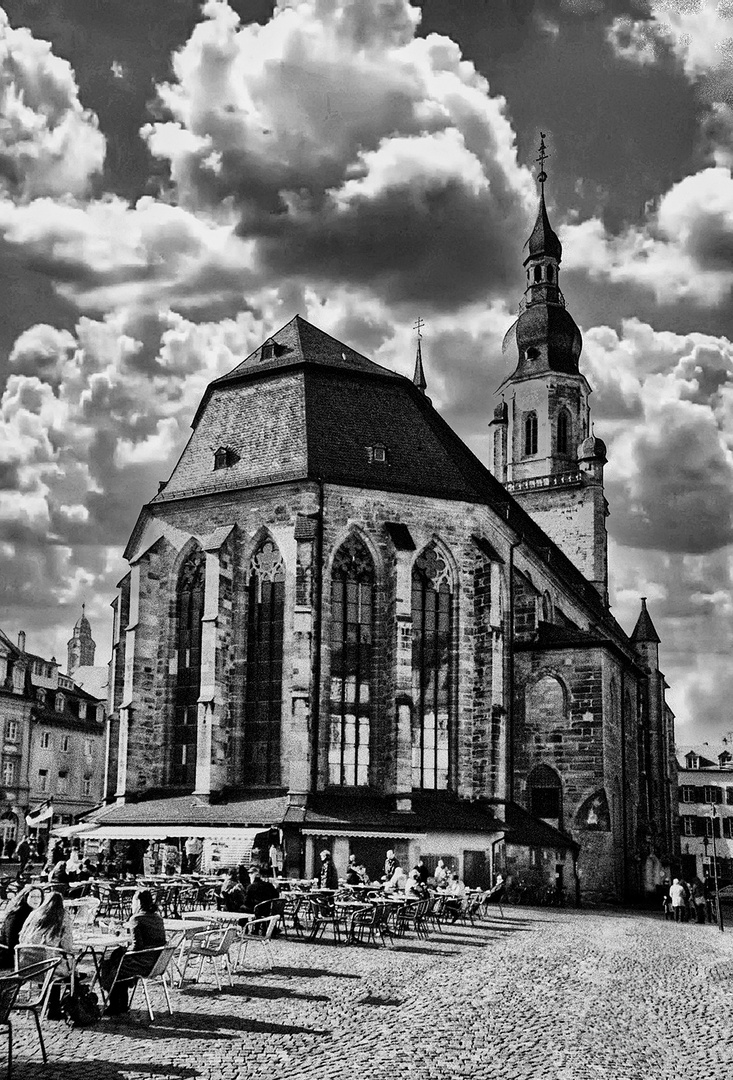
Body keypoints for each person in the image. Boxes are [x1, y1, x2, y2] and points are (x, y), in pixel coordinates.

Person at [100, 888, 167, 1016]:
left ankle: (115, 1004)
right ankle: (121, 1004)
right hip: (156, 961)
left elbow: (137, 947)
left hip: (142, 963)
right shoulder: (158, 918)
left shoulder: (136, 919)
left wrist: (125, 949)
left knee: (110, 962)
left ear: (137, 903)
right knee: (117, 957)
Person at [18, 890, 75, 975]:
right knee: (71, 964)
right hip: (49, 964)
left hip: (27, 964)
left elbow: (21, 937)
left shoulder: (34, 914)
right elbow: (67, 945)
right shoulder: (63, 917)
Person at [0, 886, 38, 968]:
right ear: (25, 898)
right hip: (11, 956)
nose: (36, 900)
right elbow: (11, 942)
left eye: (39, 897)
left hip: (26, 952)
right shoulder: (17, 915)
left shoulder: (34, 913)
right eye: (32, 896)